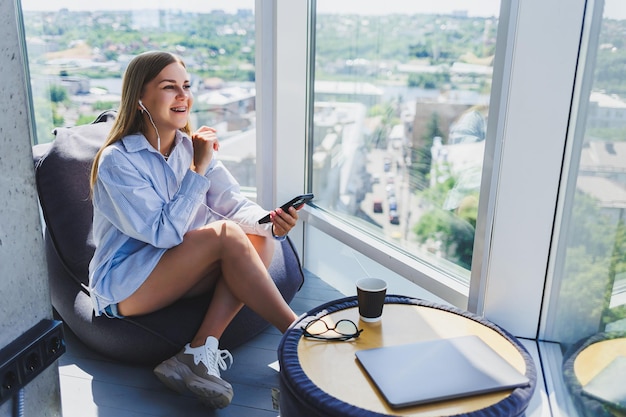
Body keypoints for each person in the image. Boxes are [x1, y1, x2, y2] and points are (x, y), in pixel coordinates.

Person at [88, 51, 301, 409]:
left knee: (257, 239)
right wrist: (197, 170)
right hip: (126, 283)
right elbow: (163, 234)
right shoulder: (117, 161)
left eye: (186, 86)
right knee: (226, 235)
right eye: (169, 87)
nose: (183, 96)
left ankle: (198, 352)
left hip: (176, 267)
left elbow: (234, 205)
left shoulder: (190, 148)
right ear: (139, 97)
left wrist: (273, 221)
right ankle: (298, 337)